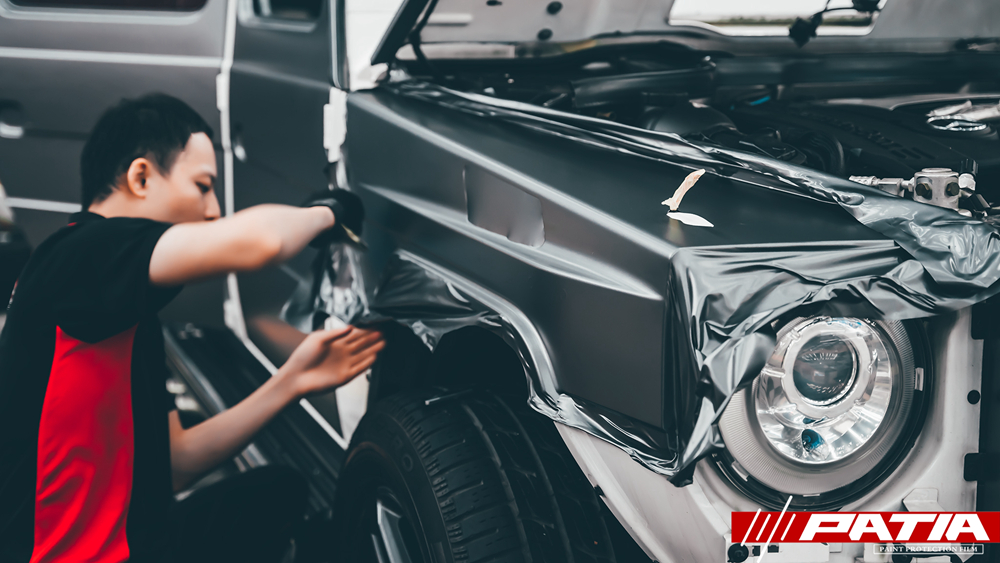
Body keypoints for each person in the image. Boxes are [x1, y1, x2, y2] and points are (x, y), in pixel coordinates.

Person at [0, 94, 384, 563]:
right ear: (141, 178)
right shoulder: (81, 251)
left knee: (276, 494)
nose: (213, 210)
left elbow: (176, 464)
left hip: (133, 542)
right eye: (203, 186)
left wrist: (292, 381)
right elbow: (262, 241)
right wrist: (333, 211)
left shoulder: (120, 308)